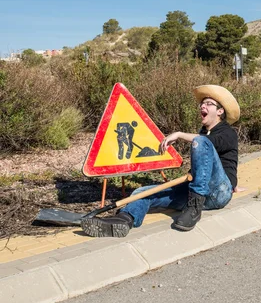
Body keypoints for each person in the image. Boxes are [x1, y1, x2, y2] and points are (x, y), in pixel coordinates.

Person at [81, 84, 240, 238]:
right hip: (196, 193)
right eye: (202, 103)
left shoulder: (228, 133)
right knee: (141, 193)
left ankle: (194, 209)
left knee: (201, 142)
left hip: (219, 192)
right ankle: (124, 220)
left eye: (208, 104)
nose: (202, 106)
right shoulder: (204, 133)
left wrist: (178, 134)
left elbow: (210, 144)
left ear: (220, 111)